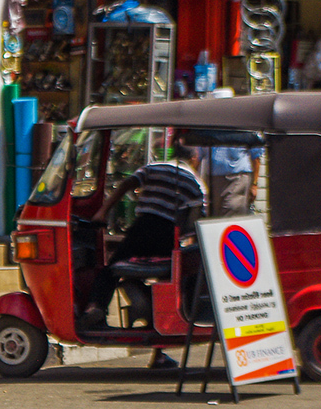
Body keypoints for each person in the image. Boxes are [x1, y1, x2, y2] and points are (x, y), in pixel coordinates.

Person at [79, 140, 207, 331]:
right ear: (194, 159)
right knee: (168, 277)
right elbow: (195, 222)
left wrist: (103, 212)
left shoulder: (154, 167)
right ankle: (163, 320)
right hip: (168, 234)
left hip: (142, 227)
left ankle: (96, 307)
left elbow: (126, 185)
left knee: (112, 269)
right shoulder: (195, 183)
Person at [205, 142, 262, 216]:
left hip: (237, 178)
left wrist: (254, 184)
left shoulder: (244, 133)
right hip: (214, 179)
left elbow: (256, 158)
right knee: (216, 215)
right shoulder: (213, 131)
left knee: (232, 209)